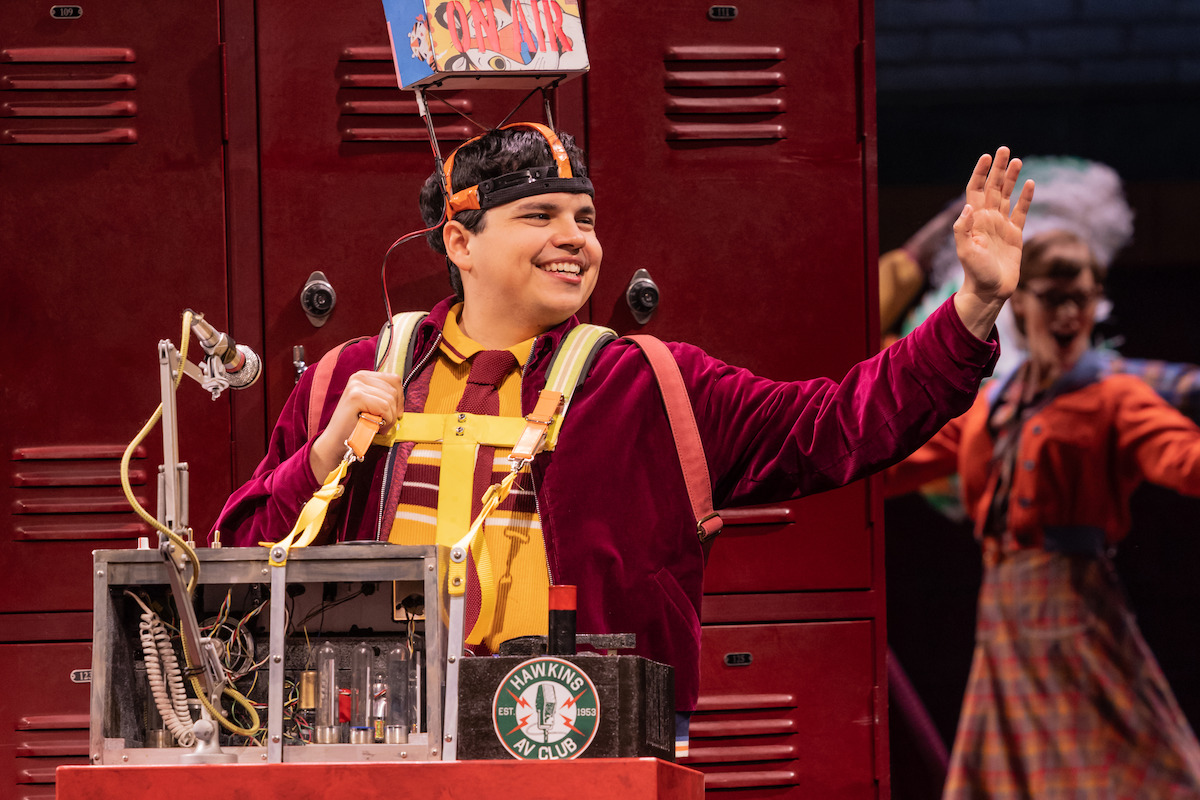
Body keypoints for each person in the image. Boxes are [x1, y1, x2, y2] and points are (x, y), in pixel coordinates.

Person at [211, 124, 1034, 740]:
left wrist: (972, 311)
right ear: (460, 241)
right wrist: (322, 457)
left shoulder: (649, 383)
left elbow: (835, 424)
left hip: (587, 740)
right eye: (540, 215)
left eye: (586, 217)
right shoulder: (346, 379)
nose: (576, 239)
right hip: (378, 741)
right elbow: (234, 572)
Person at [887, 226, 1200, 798]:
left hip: (1073, 609)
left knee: (1128, 771)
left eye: (1081, 299)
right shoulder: (993, 406)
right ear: (1022, 301)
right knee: (1006, 780)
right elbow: (888, 462)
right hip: (1003, 611)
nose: (1069, 314)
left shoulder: (1113, 397)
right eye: (1055, 298)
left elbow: (1183, 458)